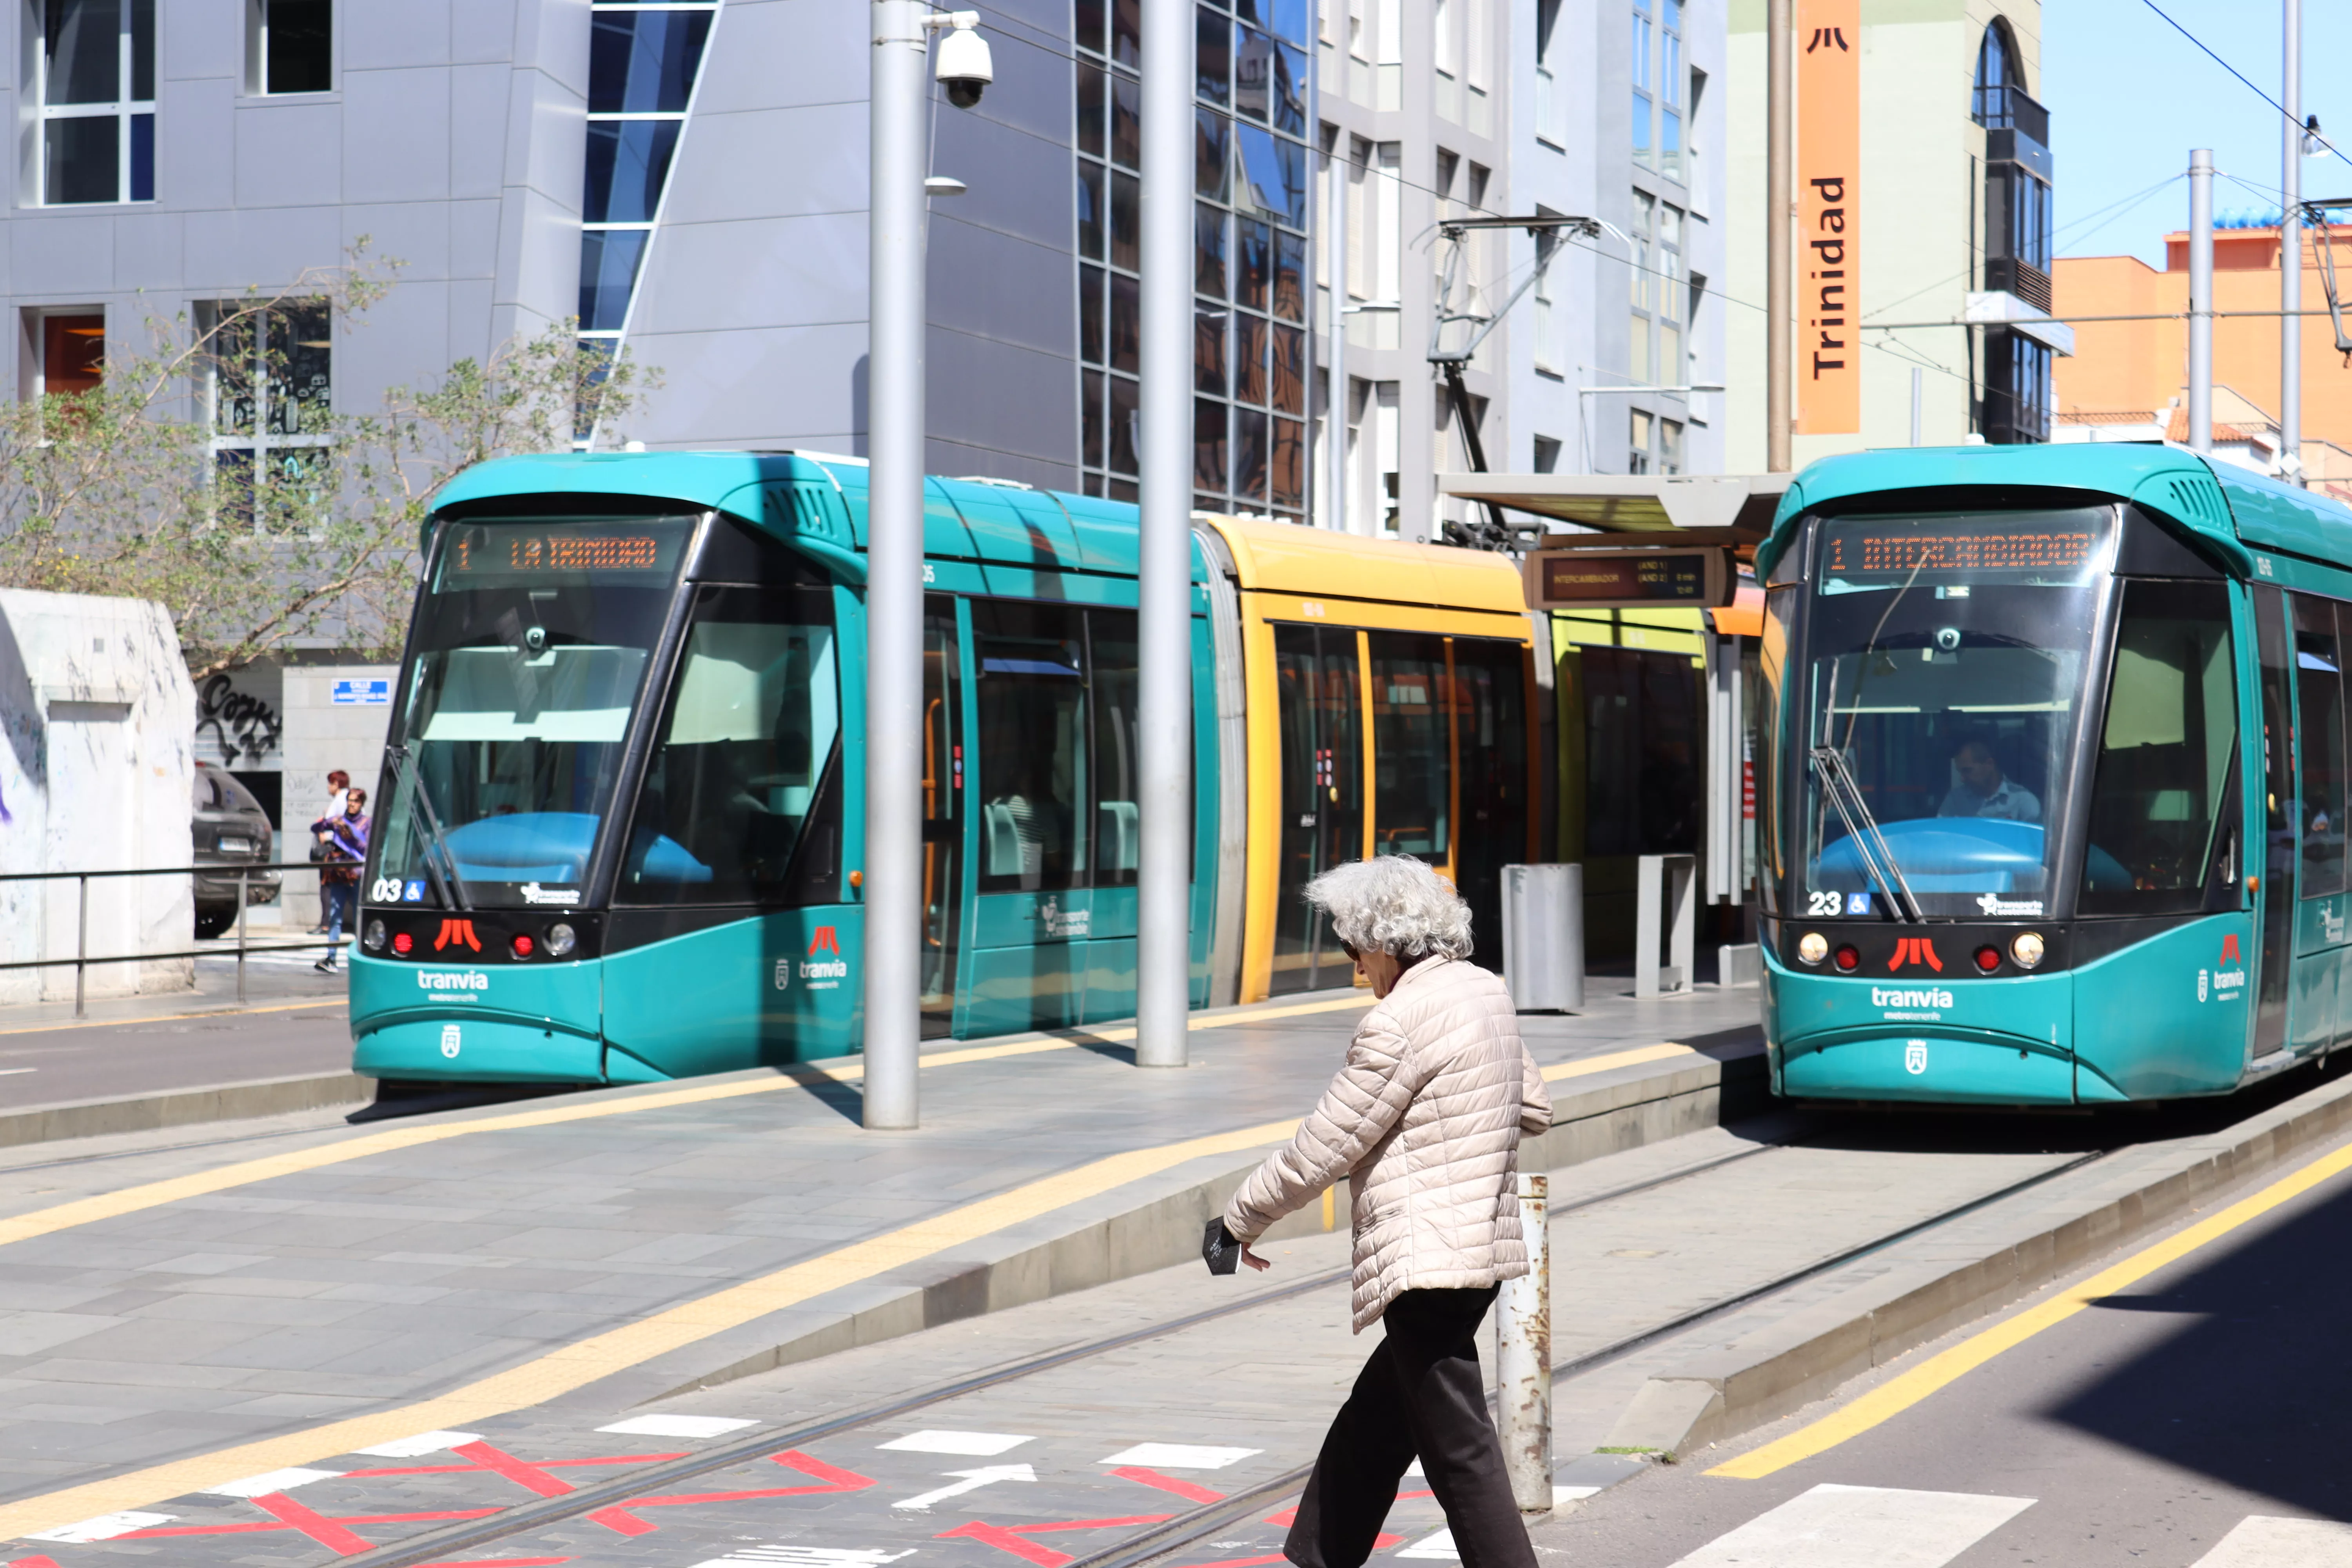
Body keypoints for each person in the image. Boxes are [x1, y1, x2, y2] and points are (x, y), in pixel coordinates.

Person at [1207, 856, 1550, 1568]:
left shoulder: (1397, 1024)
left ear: (1385, 941)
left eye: (1353, 950)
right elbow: (1535, 1106)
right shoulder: (1484, 993)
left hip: (1426, 1260)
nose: (1357, 971)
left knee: (1461, 1455)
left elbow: (1323, 1147)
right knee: (1378, 1422)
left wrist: (1238, 1221)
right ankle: (1319, 1555)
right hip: (1477, 1250)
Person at [312, 787, 370, 972]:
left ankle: (362, 957)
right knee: (335, 916)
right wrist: (330, 822)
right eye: (350, 801)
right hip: (338, 873)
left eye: (356, 801)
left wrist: (351, 833)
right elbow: (316, 828)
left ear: (362, 804)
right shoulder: (339, 820)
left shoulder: (367, 823)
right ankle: (331, 958)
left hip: (356, 874)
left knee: (357, 918)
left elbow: (365, 848)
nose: (352, 804)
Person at [1938, 738, 2040, 823]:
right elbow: (1942, 836)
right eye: (1961, 772)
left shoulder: (2022, 801)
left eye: (1968, 771)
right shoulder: (1955, 800)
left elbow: (2037, 842)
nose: (1962, 779)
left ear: (1989, 764)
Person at [310, 770, 351, 932]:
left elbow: (338, 825)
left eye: (330, 783)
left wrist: (323, 830)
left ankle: (326, 924)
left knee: (327, 885)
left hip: (335, 850)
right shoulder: (348, 798)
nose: (328, 787)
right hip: (345, 850)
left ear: (336, 784)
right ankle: (331, 923)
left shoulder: (341, 800)